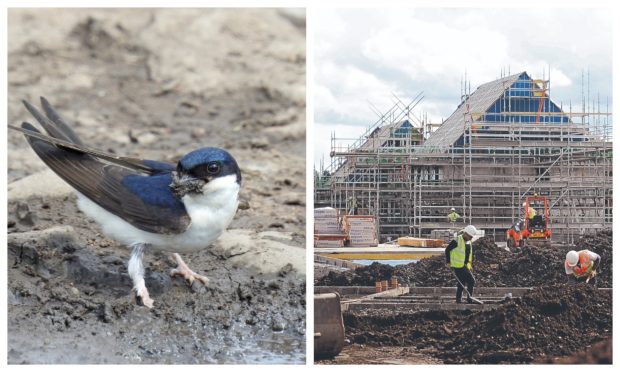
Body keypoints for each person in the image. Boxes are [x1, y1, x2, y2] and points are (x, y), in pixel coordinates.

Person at [445, 225, 477, 303]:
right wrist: (448, 262)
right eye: (470, 236)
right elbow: (447, 250)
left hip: (464, 265)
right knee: (471, 281)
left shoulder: (468, 241)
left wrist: (469, 264)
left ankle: (458, 300)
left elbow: (467, 254)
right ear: (465, 233)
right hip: (458, 265)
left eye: (472, 237)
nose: (471, 238)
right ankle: (469, 299)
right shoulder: (457, 240)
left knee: (461, 282)